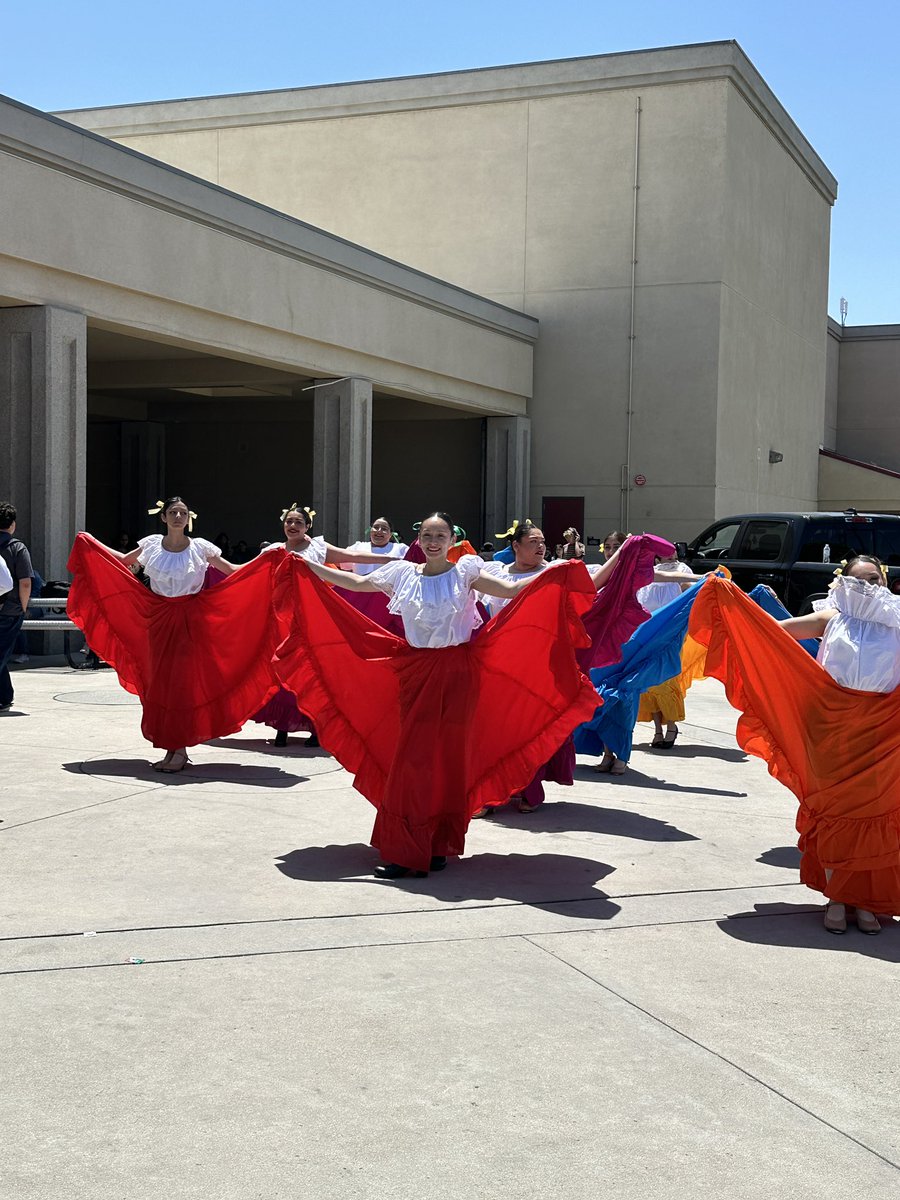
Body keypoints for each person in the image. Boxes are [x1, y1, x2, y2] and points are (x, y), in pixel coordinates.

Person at [274, 511, 602, 878]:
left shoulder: (465, 572)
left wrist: (554, 573)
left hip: (457, 674)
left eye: (440, 535)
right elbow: (353, 582)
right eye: (427, 535)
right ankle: (407, 847)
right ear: (419, 539)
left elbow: (510, 590)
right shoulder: (401, 574)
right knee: (412, 761)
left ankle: (438, 844)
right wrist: (305, 568)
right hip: (414, 674)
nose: (432, 541)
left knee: (446, 760)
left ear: (450, 539)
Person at [688, 554, 900, 937]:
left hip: (882, 735)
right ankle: (837, 897)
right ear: (845, 584)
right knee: (834, 813)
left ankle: (866, 901)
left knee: (873, 814)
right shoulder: (831, 618)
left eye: (876, 580)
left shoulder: (898, 623)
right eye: (862, 580)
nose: (870, 587)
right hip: (830, 728)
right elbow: (768, 631)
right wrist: (730, 600)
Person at [67, 496, 284, 771]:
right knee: (160, 683)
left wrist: (266, 560)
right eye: (173, 512)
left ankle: (179, 749)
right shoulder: (150, 544)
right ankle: (172, 747)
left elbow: (233, 572)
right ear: (164, 517)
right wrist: (91, 543)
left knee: (180, 684)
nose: (178, 516)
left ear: (188, 517)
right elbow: (122, 561)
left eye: (182, 512)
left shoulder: (201, 548)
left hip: (191, 620)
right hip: (157, 620)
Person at [254, 505, 397, 746]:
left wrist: (392, 559)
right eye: (289, 521)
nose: (293, 526)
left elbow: (353, 557)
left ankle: (315, 726)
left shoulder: (317, 548)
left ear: (307, 526)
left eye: (299, 522)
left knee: (313, 669)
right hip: (281, 617)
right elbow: (246, 572)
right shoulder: (273, 550)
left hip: (312, 615)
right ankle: (283, 725)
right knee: (283, 667)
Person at [635, 549, 695, 749]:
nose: (670, 555)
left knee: (667, 680)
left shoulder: (683, 569)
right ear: (657, 556)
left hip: (671, 634)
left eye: (673, 551)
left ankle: (671, 726)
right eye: (665, 552)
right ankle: (658, 730)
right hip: (649, 633)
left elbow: (691, 593)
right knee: (649, 681)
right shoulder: (650, 573)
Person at [0, 502, 34, 713]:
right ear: (12, 524)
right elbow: (25, 582)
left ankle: (5, 695)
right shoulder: (16, 548)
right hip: (9, 610)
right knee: (2, 653)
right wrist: (23, 606)